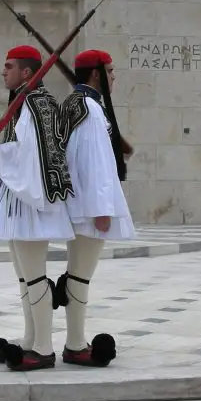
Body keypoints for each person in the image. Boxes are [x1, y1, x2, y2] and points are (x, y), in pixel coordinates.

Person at [0, 45, 75, 372]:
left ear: (27, 72)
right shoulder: (27, 101)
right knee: (24, 278)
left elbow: (34, 156)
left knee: (34, 278)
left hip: (31, 200)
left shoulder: (36, 104)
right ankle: (31, 338)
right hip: (20, 199)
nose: (3, 72)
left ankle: (44, 349)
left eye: (9, 66)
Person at [55, 49, 136, 368]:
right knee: (81, 277)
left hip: (79, 203)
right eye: (111, 71)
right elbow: (95, 163)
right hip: (89, 207)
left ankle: (71, 339)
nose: (114, 77)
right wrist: (102, 209)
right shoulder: (89, 107)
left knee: (77, 274)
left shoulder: (76, 104)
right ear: (95, 74)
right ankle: (75, 345)